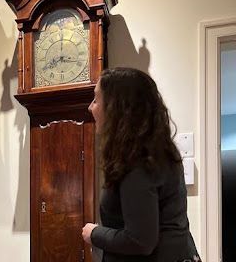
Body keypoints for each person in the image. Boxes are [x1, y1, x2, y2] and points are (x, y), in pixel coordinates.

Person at [81, 67, 200, 262]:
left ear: (116, 107)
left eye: (96, 99)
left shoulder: (137, 161)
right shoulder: (158, 152)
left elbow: (140, 241)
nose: (91, 107)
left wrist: (94, 233)